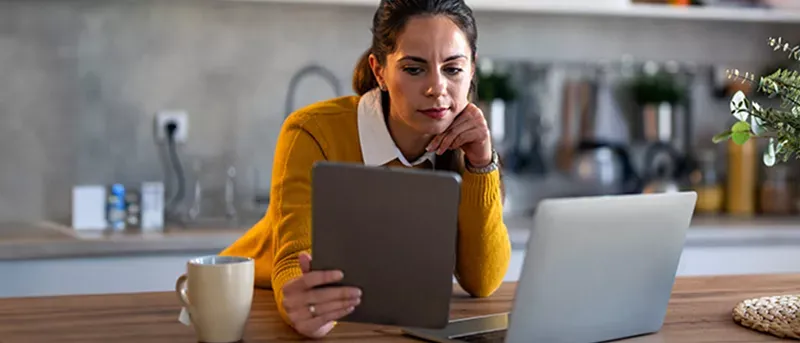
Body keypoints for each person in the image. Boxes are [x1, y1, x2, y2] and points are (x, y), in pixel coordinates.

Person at [220, 0, 510, 338]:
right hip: (254, 305)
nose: (437, 88)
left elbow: (483, 281)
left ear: (472, 69)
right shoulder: (312, 131)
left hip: (381, 318)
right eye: (414, 69)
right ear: (379, 71)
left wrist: (481, 163)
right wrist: (306, 305)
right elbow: (292, 261)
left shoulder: (464, 142)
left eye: (452, 69)